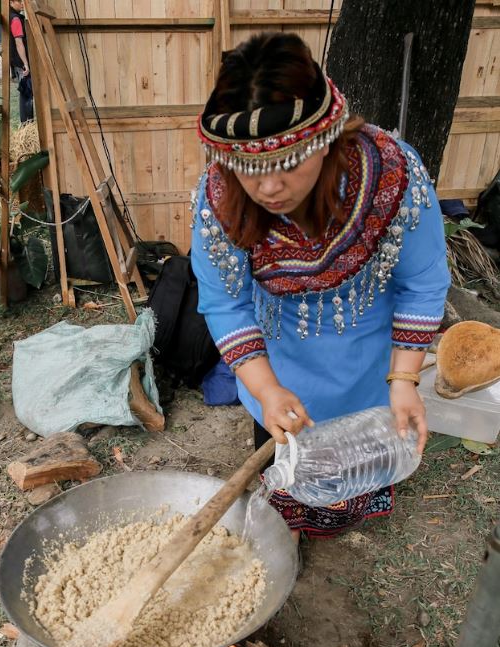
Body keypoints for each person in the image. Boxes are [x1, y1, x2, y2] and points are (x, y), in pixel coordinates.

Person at [191, 33, 450, 540]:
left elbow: (422, 284)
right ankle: (286, 529)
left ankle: (340, 516)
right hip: (279, 360)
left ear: (326, 139)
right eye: (250, 168)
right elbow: (226, 301)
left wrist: (403, 382)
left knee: (356, 464)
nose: (268, 187)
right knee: (284, 467)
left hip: (369, 363)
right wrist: (265, 389)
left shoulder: (392, 175)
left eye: (288, 162)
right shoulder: (219, 198)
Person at [9, 0, 34, 122]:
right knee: (26, 94)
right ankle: (27, 124)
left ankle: (27, 123)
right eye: (20, 1)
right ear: (11, 2)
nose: (23, 3)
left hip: (15, 60)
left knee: (25, 93)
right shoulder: (15, 19)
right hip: (21, 62)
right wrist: (26, 63)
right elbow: (19, 42)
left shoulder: (9, 16)